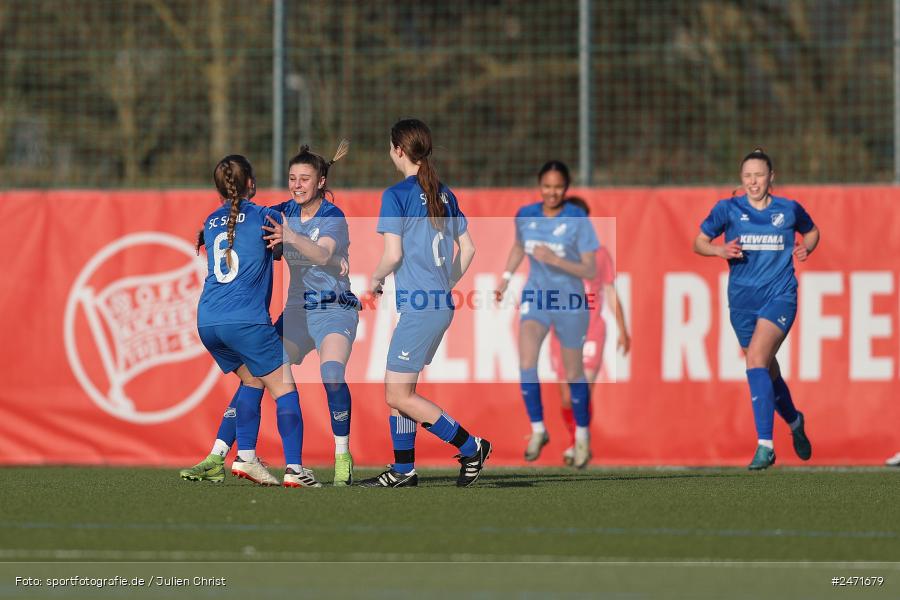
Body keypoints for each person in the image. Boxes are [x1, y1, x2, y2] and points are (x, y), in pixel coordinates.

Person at [358, 118, 491, 488]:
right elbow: (470, 249)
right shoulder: (443, 192)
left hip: (421, 308)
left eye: (390, 146)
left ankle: (470, 446)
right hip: (437, 304)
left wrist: (374, 279)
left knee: (396, 393)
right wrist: (444, 283)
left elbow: (393, 254)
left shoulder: (396, 194)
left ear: (397, 150)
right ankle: (403, 471)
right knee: (402, 390)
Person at [190, 155, 321, 487]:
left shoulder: (210, 220)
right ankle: (295, 469)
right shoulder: (267, 216)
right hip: (245, 321)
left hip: (207, 322)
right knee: (285, 388)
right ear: (251, 182)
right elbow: (280, 249)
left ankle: (245, 458)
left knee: (252, 381)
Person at [693, 148, 818, 470]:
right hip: (742, 301)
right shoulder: (728, 209)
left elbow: (812, 231)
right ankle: (793, 419)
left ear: (771, 177)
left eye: (759, 175)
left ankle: (765, 445)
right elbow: (699, 242)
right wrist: (719, 250)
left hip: (780, 295)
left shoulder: (788, 209)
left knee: (755, 360)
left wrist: (807, 246)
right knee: (767, 369)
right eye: (747, 175)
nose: (753, 181)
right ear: (741, 178)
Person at [261, 140, 359, 486]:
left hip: (334, 309)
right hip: (297, 312)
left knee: (331, 375)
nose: (297, 185)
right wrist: (214, 227)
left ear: (321, 182)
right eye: (292, 178)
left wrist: (289, 236)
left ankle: (343, 454)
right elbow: (247, 222)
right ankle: (225, 454)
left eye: (305, 179)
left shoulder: (333, 216)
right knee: (259, 373)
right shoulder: (281, 211)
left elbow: (321, 255)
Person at [495, 161, 600, 468]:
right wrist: (505, 278)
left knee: (573, 373)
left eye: (558, 187)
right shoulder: (526, 215)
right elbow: (518, 246)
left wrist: (555, 260)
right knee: (526, 360)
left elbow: (589, 268)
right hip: (536, 297)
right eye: (547, 186)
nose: (552, 192)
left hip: (570, 302)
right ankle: (538, 429)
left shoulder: (577, 218)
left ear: (566, 188)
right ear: (539, 186)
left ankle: (581, 436)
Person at [546, 196, 630, 467]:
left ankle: (578, 444)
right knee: (567, 396)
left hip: (592, 329)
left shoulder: (599, 254)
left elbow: (611, 292)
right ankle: (577, 438)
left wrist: (623, 329)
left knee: (582, 389)